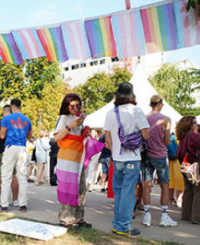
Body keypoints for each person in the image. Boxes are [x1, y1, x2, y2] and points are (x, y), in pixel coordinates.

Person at [104, 82, 150, 237]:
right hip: (132, 157)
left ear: (117, 96)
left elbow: (107, 136)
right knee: (128, 193)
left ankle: (117, 224)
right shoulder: (136, 111)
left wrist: (113, 150)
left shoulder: (111, 112)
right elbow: (146, 135)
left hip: (116, 158)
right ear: (131, 96)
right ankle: (123, 226)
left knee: (118, 192)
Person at [53, 93, 95, 229]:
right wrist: (70, 126)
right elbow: (57, 137)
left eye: (78, 105)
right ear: (67, 106)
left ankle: (79, 218)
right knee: (67, 188)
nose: (76, 108)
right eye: (73, 106)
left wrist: (86, 133)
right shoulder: (63, 118)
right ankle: (66, 219)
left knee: (81, 189)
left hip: (79, 159)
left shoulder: (80, 119)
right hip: (67, 160)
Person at [141, 95, 177, 228]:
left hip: (147, 155)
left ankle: (147, 215)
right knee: (164, 185)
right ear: (161, 104)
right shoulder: (166, 119)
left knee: (147, 185)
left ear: (150, 104)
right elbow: (167, 141)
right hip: (161, 155)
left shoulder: (144, 118)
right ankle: (163, 216)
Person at [0, 98, 33, 212]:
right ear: (20, 106)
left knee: (6, 177)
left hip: (10, 147)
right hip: (22, 148)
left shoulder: (6, 118)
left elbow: (2, 136)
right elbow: (29, 136)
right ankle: (23, 205)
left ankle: (4, 205)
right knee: (22, 177)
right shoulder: (27, 120)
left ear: (11, 106)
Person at [175, 116, 200, 224]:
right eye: (194, 123)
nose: (196, 125)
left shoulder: (183, 136)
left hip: (185, 164)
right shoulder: (193, 134)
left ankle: (186, 215)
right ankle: (197, 217)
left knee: (188, 189)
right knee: (199, 190)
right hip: (194, 164)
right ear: (189, 125)